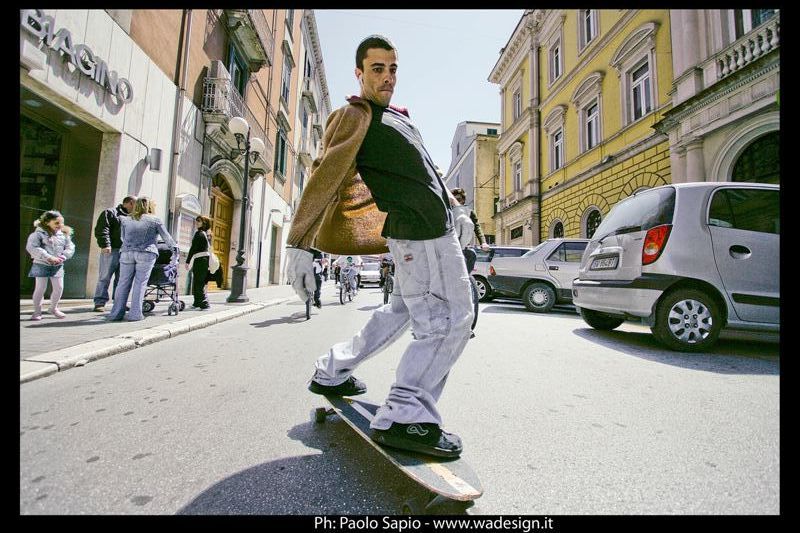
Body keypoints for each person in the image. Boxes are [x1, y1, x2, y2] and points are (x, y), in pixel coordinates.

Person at [285, 35, 475, 458]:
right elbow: (326, 171)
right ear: (360, 72)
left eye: (392, 69)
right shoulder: (358, 115)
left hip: (428, 230)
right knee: (452, 321)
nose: (387, 77)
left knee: (400, 313)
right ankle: (406, 414)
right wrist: (300, 240)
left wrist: (458, 212)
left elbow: (430, 173)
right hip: (422, 235)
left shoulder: (401, 119)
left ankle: (331, 370)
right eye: (377, 69)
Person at [107, 197, 176, 321]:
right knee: (140, 283)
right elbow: (167, 238)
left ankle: (116, 313)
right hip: (146, 253)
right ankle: (135, 314)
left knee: (122, 283)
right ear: (149, 206)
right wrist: (174, 251)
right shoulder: (155, 220)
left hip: (127, 252)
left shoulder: (125, 220)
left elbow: (123, 238)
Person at [450, 187, 490, 337]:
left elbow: (477, 228)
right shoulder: (446, 211)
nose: (457, 202)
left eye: (460, 199)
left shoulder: (468, 212)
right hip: (446, 247)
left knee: (471, 254)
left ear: (463, 200)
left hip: (462, 246)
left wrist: (483, 242)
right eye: (455, 199)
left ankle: (465, 279)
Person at [25, 210, 75, 320]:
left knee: (59, 287)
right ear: (47, 222)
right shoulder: (37, 234)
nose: (60, 225)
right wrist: (48, 257)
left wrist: (63, 257)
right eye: (56, 223)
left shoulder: (64, 235)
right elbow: (32, 247)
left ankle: (53, 308)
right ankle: (37, 311)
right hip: (41, 264)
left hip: (58, 265)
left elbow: (70, 247)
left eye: (61, 223)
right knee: (40, 288)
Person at [92, 196, 136, 312]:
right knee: (104, 277)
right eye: (136, 204)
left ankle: (119, 302)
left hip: (126, 252)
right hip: (112, 250)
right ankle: (100, 302)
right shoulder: (110, 213)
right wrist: (105, 244)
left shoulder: (133, 217)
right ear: (130, 203)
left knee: (122, 279)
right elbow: (102, 229)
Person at [185, 215, 213, 310]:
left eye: (199, 221)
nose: (196, 222)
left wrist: (188, 261)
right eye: (196, 221)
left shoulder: (200, 233)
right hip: (202, 261)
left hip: (200, 261)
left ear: (204, 223)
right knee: (198, 282)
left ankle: (204, 303)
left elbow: (193, 249)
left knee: (199, 282)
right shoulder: (206, 234)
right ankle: (197, 302)